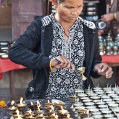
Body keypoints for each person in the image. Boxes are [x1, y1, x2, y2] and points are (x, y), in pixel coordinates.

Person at [8, 0, 113, 99]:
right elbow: (15, 51)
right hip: (46, 98)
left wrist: (98, 67)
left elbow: (94, 60)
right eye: (69, 7)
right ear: (55, 3)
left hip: (80, 98)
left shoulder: (89, 29)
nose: (75, 12)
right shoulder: (42, 26)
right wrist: (49, 62)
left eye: (79, 6)